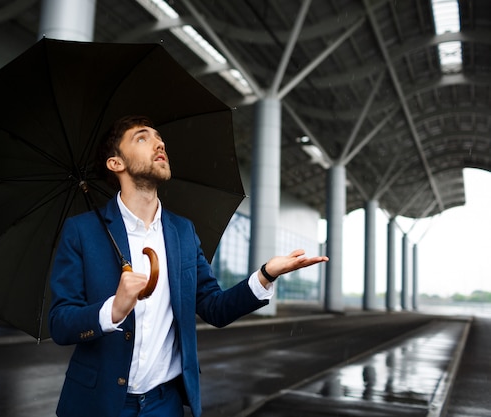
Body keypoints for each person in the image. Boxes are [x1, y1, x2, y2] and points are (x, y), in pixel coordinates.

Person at [49, 115, 329, 417]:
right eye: (142, 138)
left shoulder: (182, 233)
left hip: (164, 404)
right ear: (115, 163)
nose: (159, 143)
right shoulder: (82, 231)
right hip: (97, 404)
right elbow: (61, 322)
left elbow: (214, 307)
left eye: (159, 138)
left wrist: (265, 275)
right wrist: (112, 311)